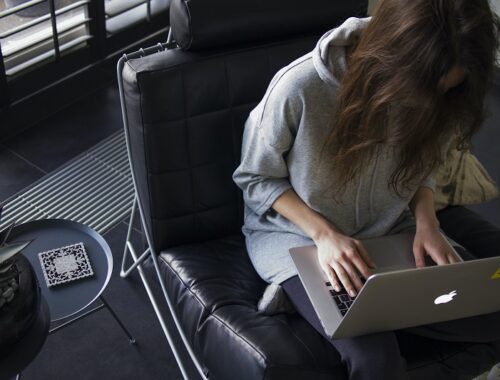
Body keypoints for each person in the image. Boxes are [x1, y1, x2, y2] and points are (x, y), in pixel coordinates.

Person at [232, 0, 500, 378]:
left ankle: (373, 307)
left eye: (446, 91)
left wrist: (428, 224)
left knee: (489, 316)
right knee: (376, 362)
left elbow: (424, 168)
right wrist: (324, 235)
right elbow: (255, 179)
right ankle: (306, 294)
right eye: (424, 90)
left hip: (391, 229)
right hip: (298, 237)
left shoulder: (442, 92)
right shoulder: (300, 87)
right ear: (393, 56)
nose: (430, 103)